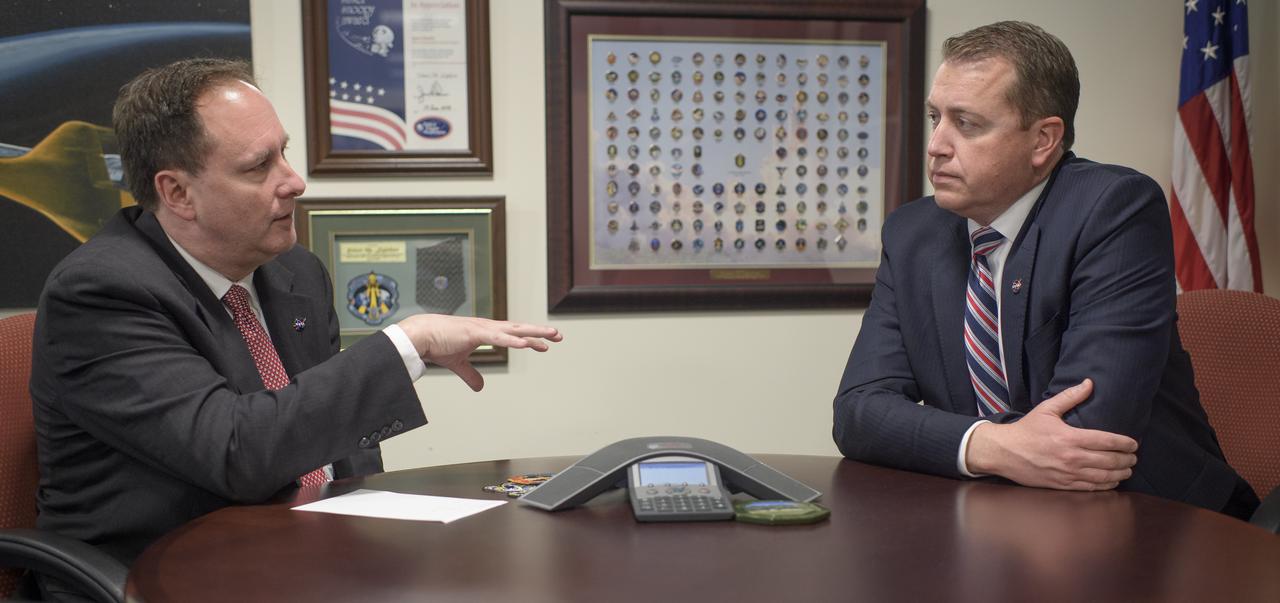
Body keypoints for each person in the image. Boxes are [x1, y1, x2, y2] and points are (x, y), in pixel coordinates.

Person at [29, 58, 563, 575]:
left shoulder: (294, 271)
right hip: (167, 573)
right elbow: (235, 452)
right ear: (177, 193)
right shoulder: (102, 291)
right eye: (259, 166)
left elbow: (333, 439)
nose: (295, 181)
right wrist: (408, 342)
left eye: (284, 154)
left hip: (304, 555)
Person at [832, 21, 1257, 518]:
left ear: (1043, 141)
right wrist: (989, 444)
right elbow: (858, 413)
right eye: (935, 118)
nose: (937, 145)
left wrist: (936, 438)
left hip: (1160, 523)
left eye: (966, 123)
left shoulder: (1113, 210)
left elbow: (1087, 433)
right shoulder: (913, 234)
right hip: (997, 521)